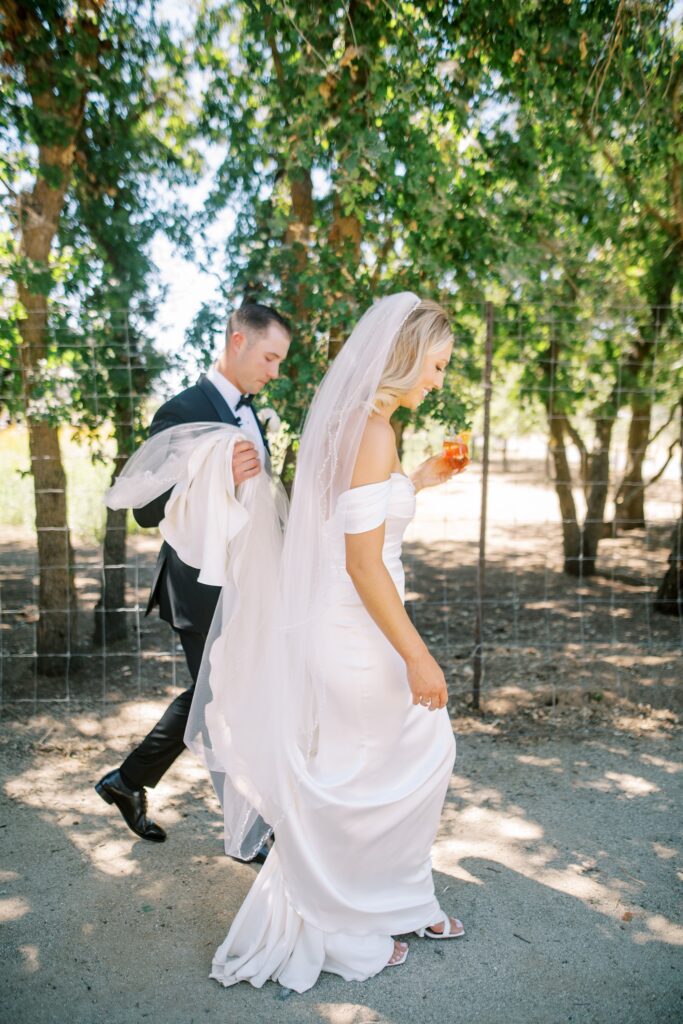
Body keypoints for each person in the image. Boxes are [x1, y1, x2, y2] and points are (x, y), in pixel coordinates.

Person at [183, 293, 470, 991]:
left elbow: (350, 518)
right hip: (360, 631)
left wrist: (417, 482)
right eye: (434, 366)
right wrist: (417, 655)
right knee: (408, 758)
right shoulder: (371, 431)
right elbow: (362, 562)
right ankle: (338, 919)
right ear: (403, 359)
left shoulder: (357, 426)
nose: (437, 380)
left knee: (371, 770)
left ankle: (394, 900)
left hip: (349, 625)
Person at [95, 303, 291, 847]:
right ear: (237, 342)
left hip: (244, 582)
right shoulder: (180, 410)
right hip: (197, 587)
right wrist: (215, 477)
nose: (274, 371)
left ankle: (128, 781)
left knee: (223, 696)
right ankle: (251, 831)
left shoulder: (252, 412)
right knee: (220, 698)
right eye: (270, 356)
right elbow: (145, 508)